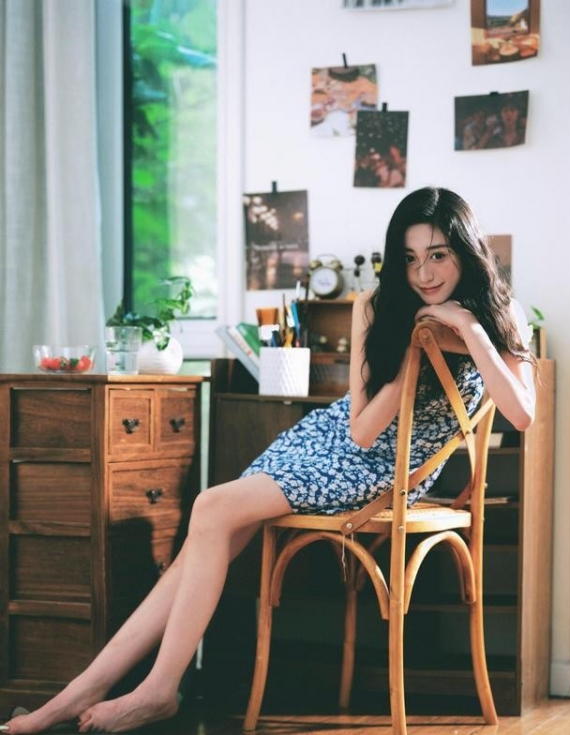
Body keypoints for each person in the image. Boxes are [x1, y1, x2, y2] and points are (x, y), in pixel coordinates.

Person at [1, 187, 536, 734]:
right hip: (331, 441)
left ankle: (155, 690)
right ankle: (83, 693)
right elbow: (360, 428)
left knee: (211, 510)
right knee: (209, 532)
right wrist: (406, 364)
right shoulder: (376, 307)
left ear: (466, 251)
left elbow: (521, 415)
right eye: (410, 258)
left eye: (438, 254)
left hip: (388, 472)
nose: (423, 273)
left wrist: (469, 329)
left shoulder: (502, 315)